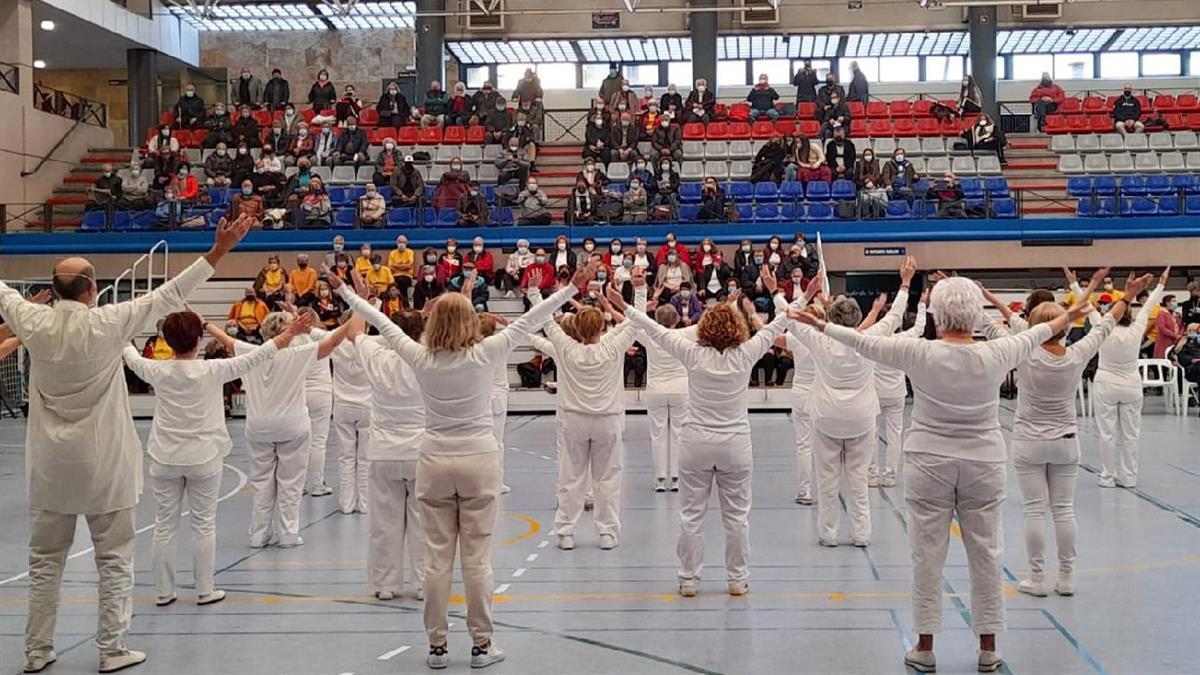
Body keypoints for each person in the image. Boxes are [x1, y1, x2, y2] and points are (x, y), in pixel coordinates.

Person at [790, 276, 1091, 675]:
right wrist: (1071, 314)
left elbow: (865, 342)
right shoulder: (998, 351)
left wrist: (820, 325)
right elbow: (1040, 332)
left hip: (928, 462)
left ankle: (925, 646)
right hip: (984, 462)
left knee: (926, 557)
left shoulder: (920, 353)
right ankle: (988, 647)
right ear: (975, 317)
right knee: (988, 553)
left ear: (936, 315)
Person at [0, 215, 254, 674]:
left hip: (50, 470)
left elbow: (3, 294)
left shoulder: (32, 321)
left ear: (54, 293)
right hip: (105, 466)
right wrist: (220, 251)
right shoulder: (109, 322)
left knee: (43, 564)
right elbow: (171, 293)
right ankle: (112, 649)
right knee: (114, 561)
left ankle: (37, 652)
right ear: (93, 290)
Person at [330, 262, 593, 671]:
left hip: (433, 460)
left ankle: (436, 647)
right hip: (479, 460)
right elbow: (529, 321)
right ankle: (482, 644)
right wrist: (570, 288)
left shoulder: (419, 357)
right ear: (472, 321)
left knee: (436, 560)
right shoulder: (486, 353)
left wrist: (348, 294)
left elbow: (381, 323)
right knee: (477, 560)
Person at [608, 274, 791, 597]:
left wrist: (627, 306)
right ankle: (737, 579)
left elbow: (656, 331)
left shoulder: (691, 353)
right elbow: (779, 324)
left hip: (695, 443)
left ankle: (688, 579)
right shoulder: (747, 353)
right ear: (737, 330)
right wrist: (785, 294)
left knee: (691, 516)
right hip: (735, 444)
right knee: (737, 518)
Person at [122, 310, 309, 608]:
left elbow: (129, 354)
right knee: (204, 524)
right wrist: (290, 332)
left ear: (165, 341)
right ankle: (205, 590)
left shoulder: (155, 369)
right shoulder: (213, 369)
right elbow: (261, 354)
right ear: (199, 339)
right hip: (204, 457)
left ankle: (163, 592)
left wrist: (122, 327)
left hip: (165, 457)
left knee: (164, 524)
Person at [1011, 271, 1151, 598]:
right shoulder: (1076, 355)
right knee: (1063, 509)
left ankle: (1036, 577)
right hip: (1066, 443)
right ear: (1065, 326)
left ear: (1034, 327)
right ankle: (1067, 577)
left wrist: (981, 298)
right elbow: (1106, 324)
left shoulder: (1023, 352)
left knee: (1034, 509)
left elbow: (1006, 327)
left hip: (1028, 442)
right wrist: (1127, 296)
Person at [786, 259, 915, 547]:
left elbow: (789, 319)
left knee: (827, 480)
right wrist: (905, 283)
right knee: (858, 481)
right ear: (857, 320)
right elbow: (893, 317)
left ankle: (828, 534)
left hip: (827, 416)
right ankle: (861, 534)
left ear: (831, 319)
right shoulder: (867, 339)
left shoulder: (819, 340)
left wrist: (803, 294)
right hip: (860, 418)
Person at [205, 311, 350, 546]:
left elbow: (225, 340)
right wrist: (358, 314)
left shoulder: (250, 353)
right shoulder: (298, 354)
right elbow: (333, 342)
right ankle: (288, 533)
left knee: (261, 481)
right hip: (292, 425)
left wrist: (205, 322)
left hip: (258, 425)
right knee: (290, 482)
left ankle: (258, 534)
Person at [534, 291, 639, 551]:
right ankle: (607, 533)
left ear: (576, 328)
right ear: (602, 327)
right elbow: (637, 321)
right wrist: (639, 290)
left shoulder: (566, 347)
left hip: (575, 419)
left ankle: (565, 531)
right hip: (608, 420)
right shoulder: (613, 347)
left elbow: (546, 321)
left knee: (571, 475)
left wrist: (536, 293)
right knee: (607, 478)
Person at [350, 308, 427, 601]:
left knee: (383, 524)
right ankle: (423, 583)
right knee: (424, 523)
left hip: (383, 451)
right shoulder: (427, 357)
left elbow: (356, 331)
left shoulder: (376, 354)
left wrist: (363, 300)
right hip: (421, 450)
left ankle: (385, 584)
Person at [867, 291, 928, 488]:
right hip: (896, 393)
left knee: (871, 434)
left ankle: (872, 475)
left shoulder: (872, 340)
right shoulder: (903, 339)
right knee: (895, 435)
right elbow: (919, 327)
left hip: (875, 393)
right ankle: (891, 476)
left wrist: (873, 312)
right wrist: (921, 304)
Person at [1154, 294, 1183, 359]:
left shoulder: (1177, 314)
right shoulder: (1162, 313)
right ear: (1167, 303)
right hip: (1165, 341)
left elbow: (1182, 326)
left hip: (1176, 341)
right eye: (1173, 301)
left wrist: (1180, 334)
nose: (1176, 303)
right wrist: (1174, 335)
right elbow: (1162, 328)